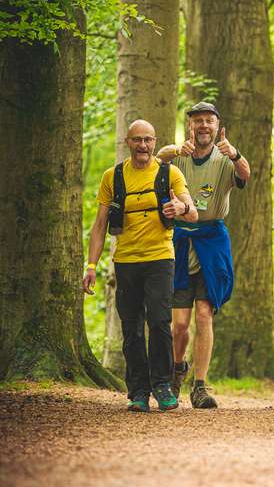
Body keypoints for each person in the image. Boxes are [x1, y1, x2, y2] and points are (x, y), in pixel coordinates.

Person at [83, 119, 198, 412]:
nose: (143, 146)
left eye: (148, 140)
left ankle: (162, 385)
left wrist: (180, 208)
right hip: (126, 261)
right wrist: (91, 266)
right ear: (127, 142)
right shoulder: (113, 177)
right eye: (137, 140)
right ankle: (138, 391)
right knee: (131, 328)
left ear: (155, 142)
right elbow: (99, 225)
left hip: (160, 258)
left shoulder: (169, 173)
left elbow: (192, 211)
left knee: (160, 322)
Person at [155, 102, 250, 409]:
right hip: (180, 240)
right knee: (179, 323)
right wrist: (172, 149)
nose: (203, 126)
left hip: (211, 239)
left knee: (205, 313)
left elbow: (246, 174)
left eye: (209, 120)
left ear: (216, 125)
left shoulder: (225, 159)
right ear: (191, 126)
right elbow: (155, 163)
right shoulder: (177, 158)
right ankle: (176, 368)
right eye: (198, 121)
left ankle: (200, 385)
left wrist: (234, 153)